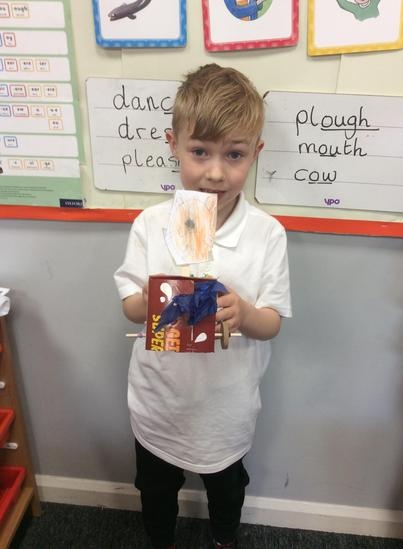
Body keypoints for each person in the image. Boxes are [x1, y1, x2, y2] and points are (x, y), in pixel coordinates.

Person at [114, 63, 292, 549]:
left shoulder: (266, 234)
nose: (215, 172)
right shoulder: (151, 224)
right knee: (155, 492)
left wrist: (245, 314)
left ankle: (224, 539)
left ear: (255, 153)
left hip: (226, 410)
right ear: (173, 145)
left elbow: (272, 323)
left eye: (234, 154)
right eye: (199, 152)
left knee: (227, 493)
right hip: (158, 403)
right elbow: (130, 307)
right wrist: (158, 298)